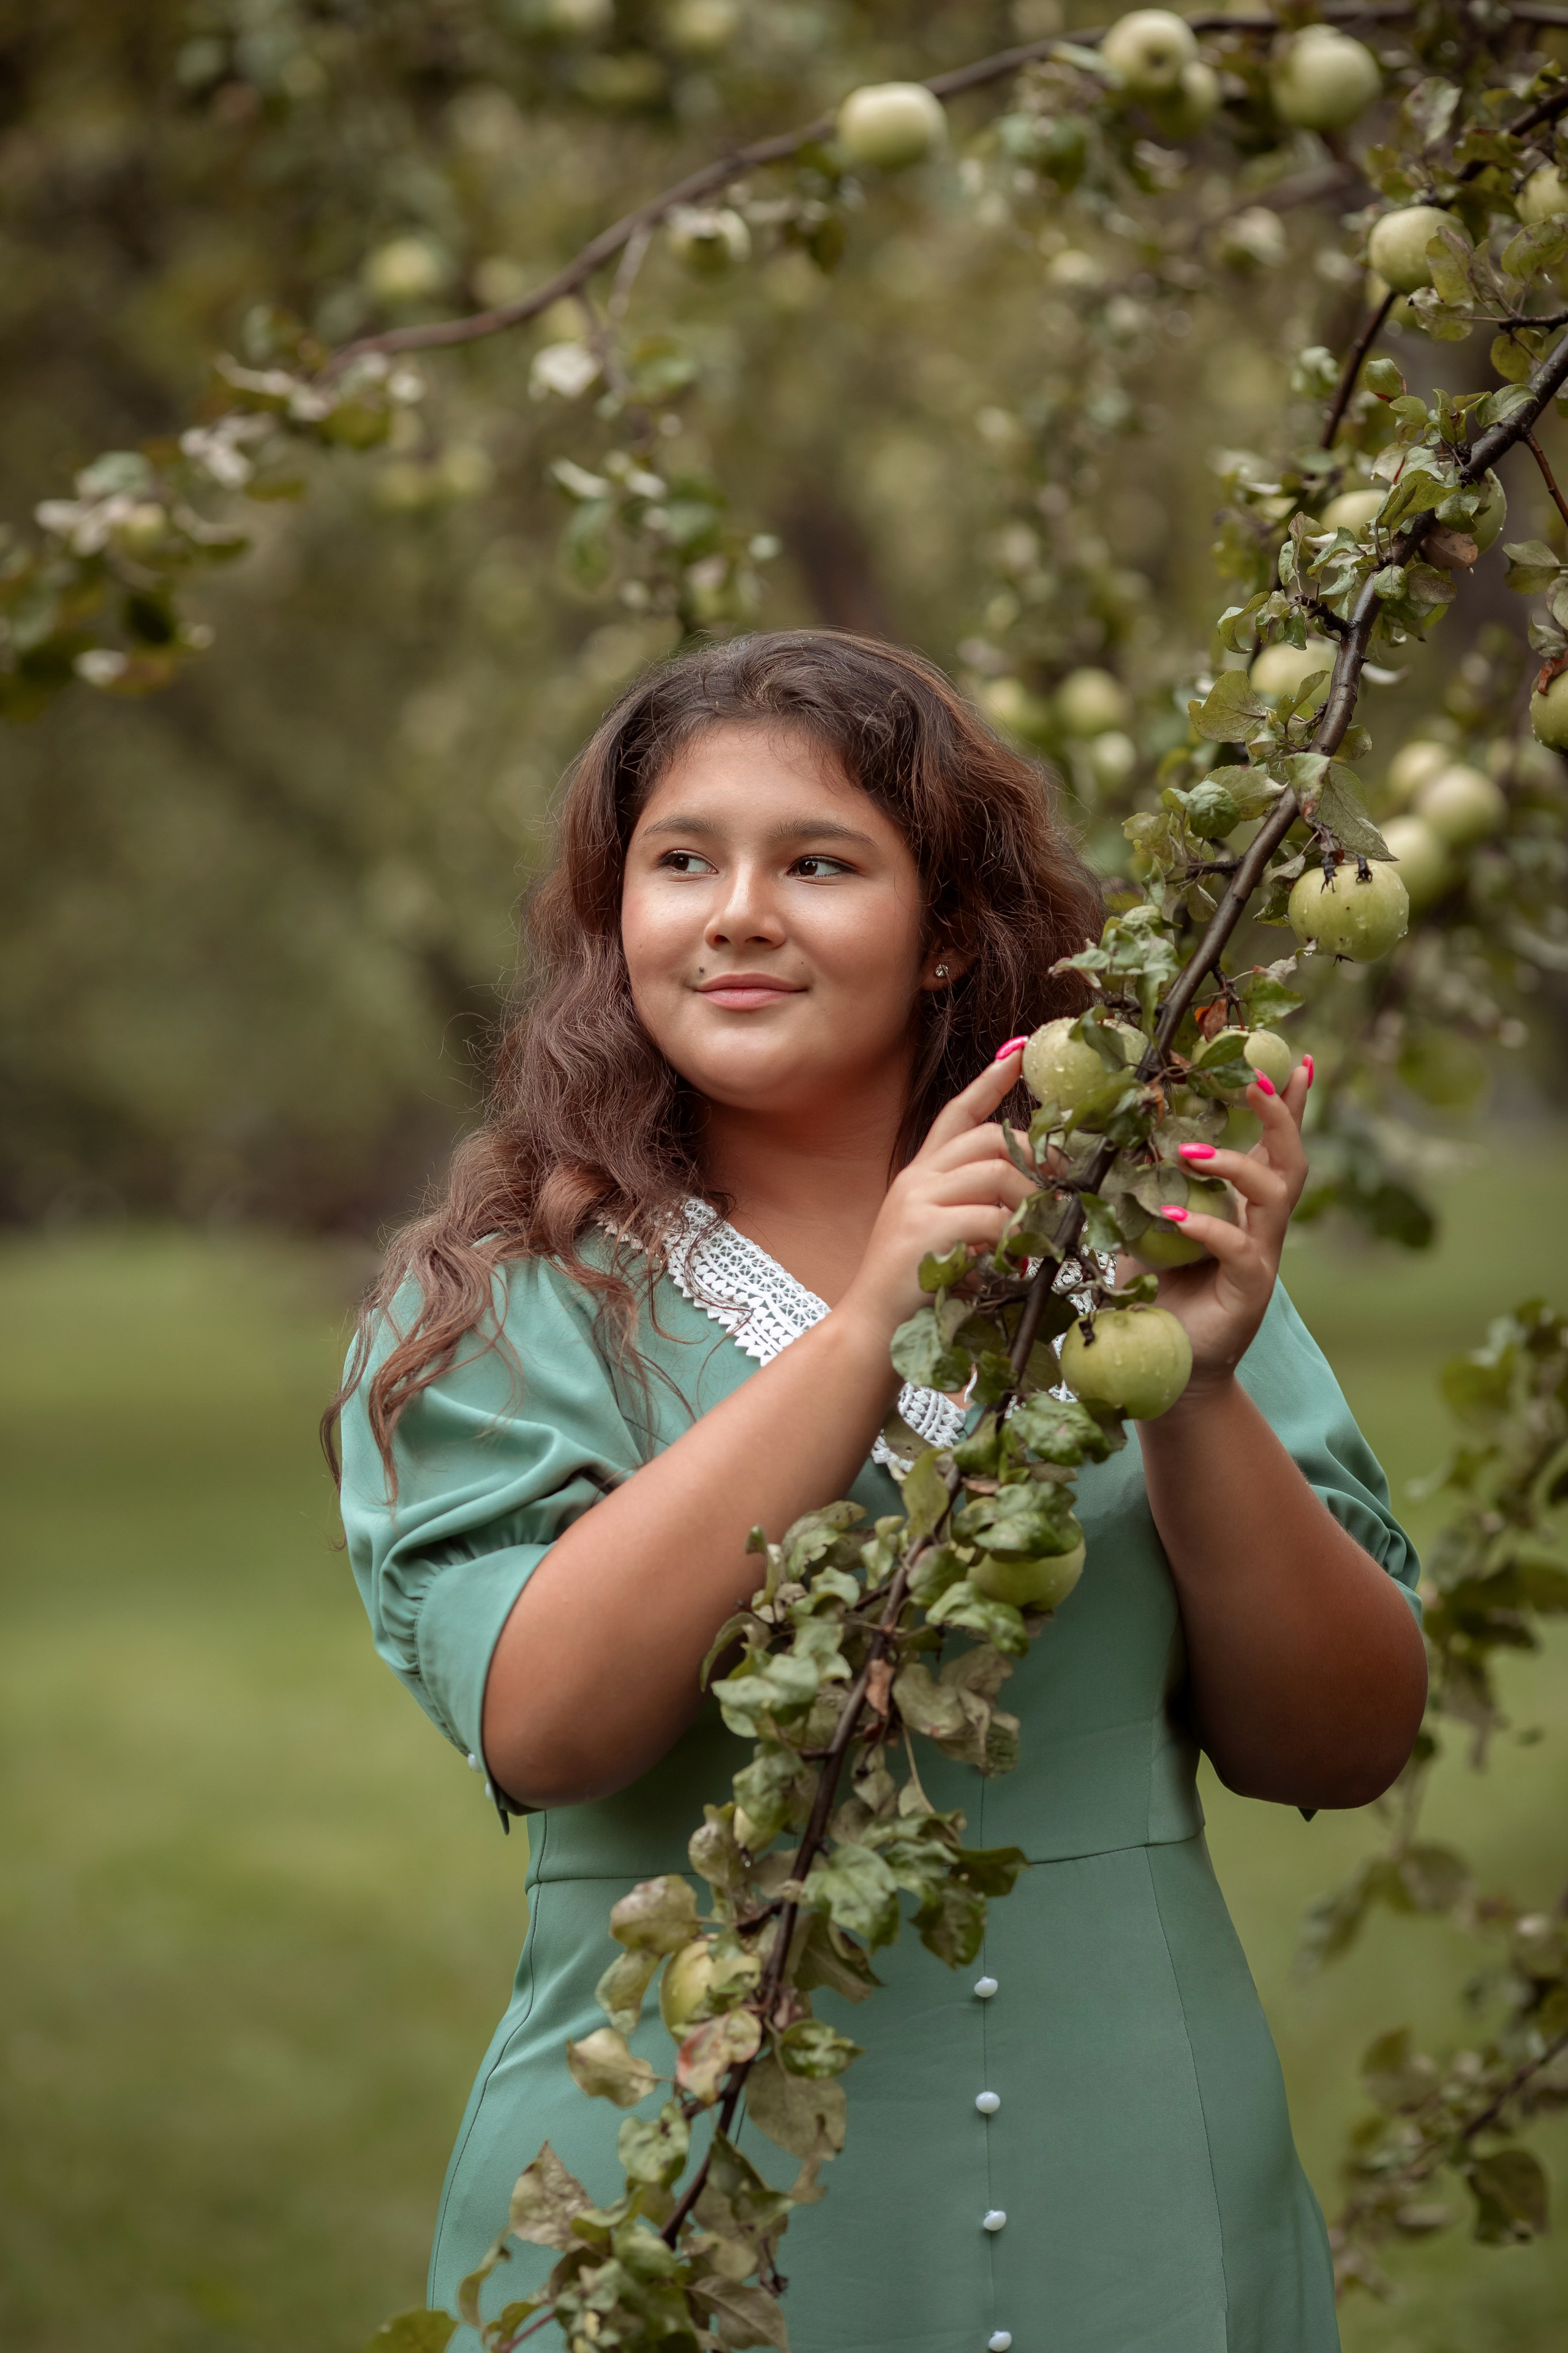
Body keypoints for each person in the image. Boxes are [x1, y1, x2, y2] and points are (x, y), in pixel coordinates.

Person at [331, 630, 1427, 2353]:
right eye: (681, 861)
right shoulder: (503, 1299)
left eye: (820, 862)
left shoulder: (1146, 1251)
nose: (739, 910)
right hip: (685, 2211)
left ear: (944, 939)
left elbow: (1341, 1744)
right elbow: (542, 1720)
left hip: (1135, 2189)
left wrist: (1199, 1386)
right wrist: (866, 1331)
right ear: (617, 917)